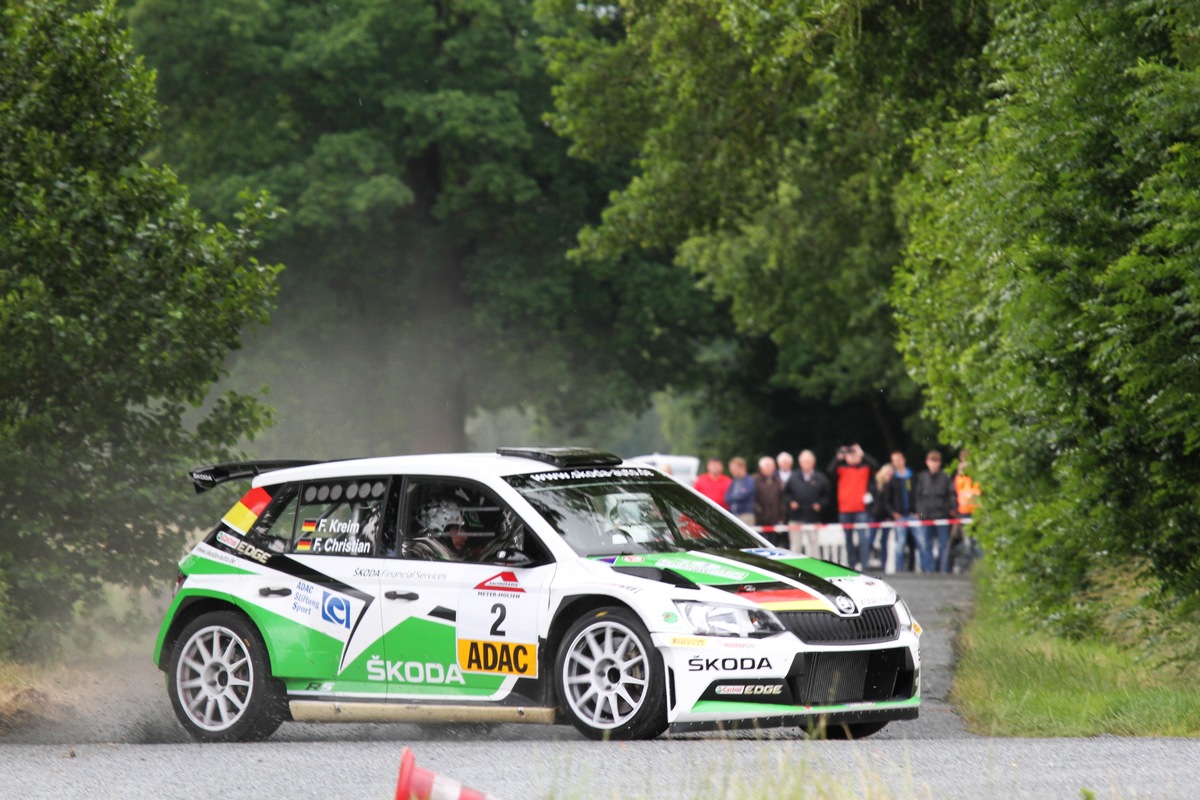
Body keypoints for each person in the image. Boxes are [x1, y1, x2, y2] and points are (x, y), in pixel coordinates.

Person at [827, 444, 879, 570]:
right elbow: (829, 471)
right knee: (848, 539)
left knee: (863, 539)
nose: (853, 457)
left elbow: (876, 466)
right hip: (845, 510)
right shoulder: (842, 469)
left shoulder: (865, 468)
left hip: (861, 509)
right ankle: (852, 564)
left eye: (855, 455)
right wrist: (839, 457)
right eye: (850, 455)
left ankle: (864, 565)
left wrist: (863, 454)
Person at [915, 450, 957, 572]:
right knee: (926, 544)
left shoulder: (945, 477)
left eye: (936, 461)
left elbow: (951, 495)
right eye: (931, 461)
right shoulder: (922, 477)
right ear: (927, 462)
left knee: (943, 545)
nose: (933, 464)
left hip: (941, 517)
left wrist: (950, 510)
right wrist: (921, 514)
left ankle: (944, 569)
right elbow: (918, 498)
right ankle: (929, 569)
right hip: (926, 517)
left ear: (939, 463)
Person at [783, 450, 830, 556]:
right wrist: (791, 502)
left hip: (813, 517)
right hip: (796, 517)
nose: (806, 464)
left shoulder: (821, 478)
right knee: (795, 545)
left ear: (813, 462)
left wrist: (820, 505)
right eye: (804, 461)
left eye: (808, 461)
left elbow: (827, 496)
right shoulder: (793, 477)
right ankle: (794, 567)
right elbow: (786, 494)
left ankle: (816, 568)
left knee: (814, 544)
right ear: (800, 463)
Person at [885, 451, 922, 572]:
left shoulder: (912, 476)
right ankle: (899, 569)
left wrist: (918, 512)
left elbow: (918, 494)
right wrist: (893, 513)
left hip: (913, 515)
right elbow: (887, 499)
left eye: (898, 459)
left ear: (903, 460)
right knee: (900, 544)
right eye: (894, 460)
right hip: (900, 516)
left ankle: (926, 569)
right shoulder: (893, 479)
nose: (897, 462)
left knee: (921, 542)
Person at [951, 449, 981, 571]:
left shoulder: (975, 476)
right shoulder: (959, 478)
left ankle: (978, 567)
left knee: (977, 541)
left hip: (976, 512)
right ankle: (969, 567)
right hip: (964, 512)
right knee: (967, 541)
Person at [753, 455, 786, 547]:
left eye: (771, 466)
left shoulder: (778, 481)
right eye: (767, 466)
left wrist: (782, 517)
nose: (770, 468)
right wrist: (758, 510)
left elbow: (781, 500)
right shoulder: (755, 479)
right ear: (761, 468)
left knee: (773, 545)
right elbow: (752, 498)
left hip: (774, 519)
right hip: (759, 520)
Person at [869, 463, 894, 569]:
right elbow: (870, 501)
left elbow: (891, 502)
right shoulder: (875, 485)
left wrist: (890, 515)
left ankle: (884, 565)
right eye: (887, 474)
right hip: (874, 516)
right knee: (870, 539)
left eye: (890, 474)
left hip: (886, 517)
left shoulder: (891, 486)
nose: (889, 476)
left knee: (884, 542)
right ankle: (866, 562)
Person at [724, 457, 757, 527]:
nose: (732, 471)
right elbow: (727, 498)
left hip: (745, 515)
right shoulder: (734, 482)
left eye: (734, 469)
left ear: (742, 467)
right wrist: (736, 495)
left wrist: (734, 496)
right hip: (733, 515)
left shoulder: (749, 481)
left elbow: (743, 496)